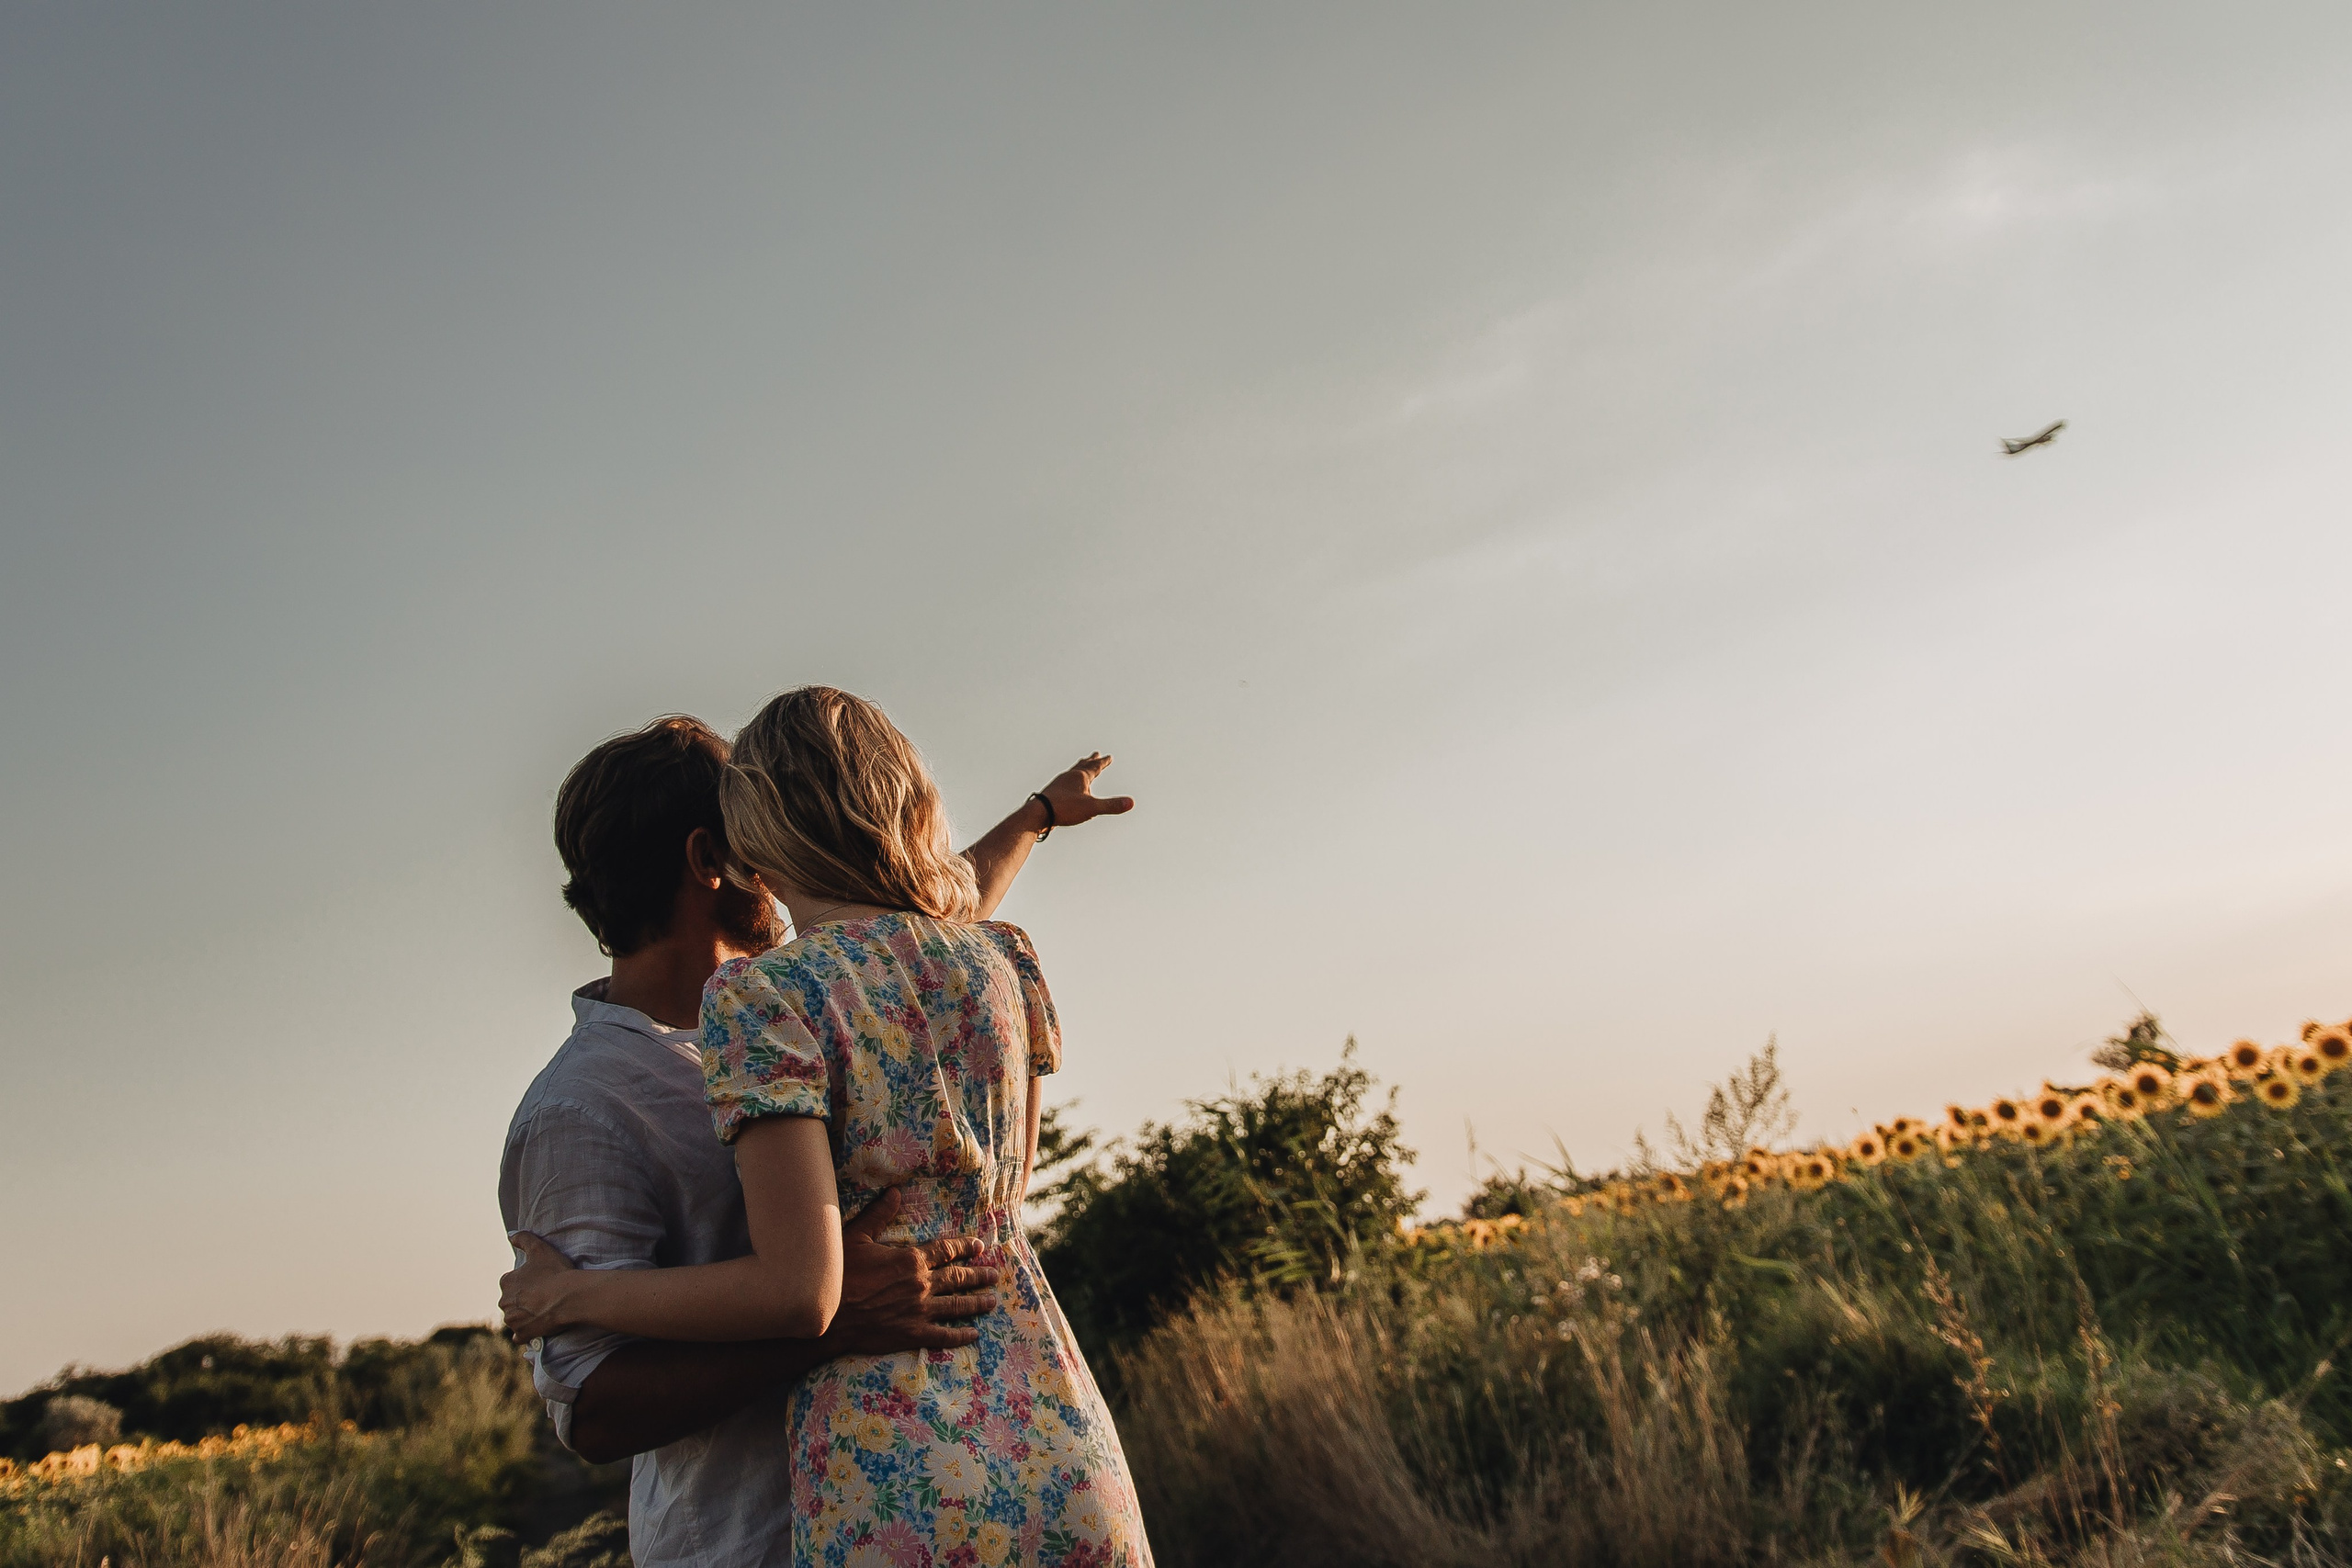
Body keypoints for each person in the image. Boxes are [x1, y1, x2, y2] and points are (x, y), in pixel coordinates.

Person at [503, 687, 1153, 1567]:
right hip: (985, 1462)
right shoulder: (583, 1107)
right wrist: (838, 1319)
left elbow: (922, 912)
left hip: (893, 1498)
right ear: (715, 858)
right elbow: (595, 1406)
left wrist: (1036, 815)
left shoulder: (786, 996)